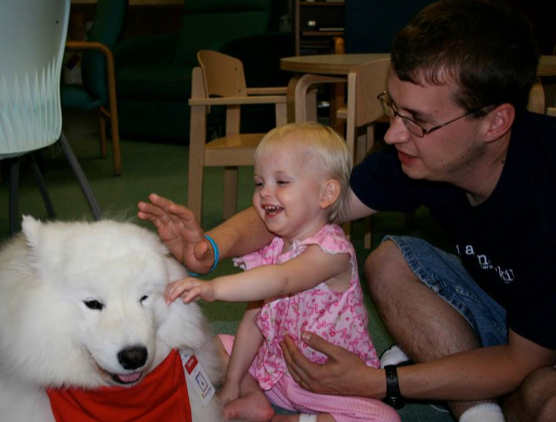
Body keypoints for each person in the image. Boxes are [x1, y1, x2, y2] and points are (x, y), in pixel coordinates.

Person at [138, 1, 556, 421]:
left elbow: (522, 360)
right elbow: (305, 211)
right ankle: (473, 403)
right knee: (390, 260)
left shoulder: (545, 199)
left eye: (418, 121)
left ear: (495, 123)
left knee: (541, 394)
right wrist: (211, 247)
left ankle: (458, 390)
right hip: (503, 302)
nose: (393, 134)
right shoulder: (415, 157)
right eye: (393, 108)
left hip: (538, 347)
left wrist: (381, 383)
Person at [162, 123, 400, 422]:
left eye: (282, 182)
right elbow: (252, 322)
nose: (265, 193)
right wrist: (234, 382)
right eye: (259, 183)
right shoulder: (273, 246)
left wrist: (214, 289)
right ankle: (253, 397)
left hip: (330, 385)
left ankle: (290, 420)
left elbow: (282, 278)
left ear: (326, 193)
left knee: (384, 419)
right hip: (275, 370)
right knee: (210, 345)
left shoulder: (332, 252)